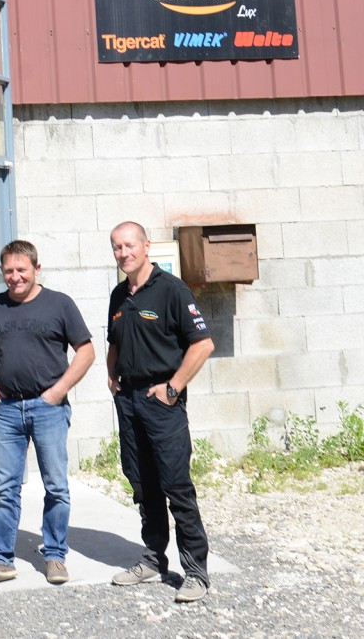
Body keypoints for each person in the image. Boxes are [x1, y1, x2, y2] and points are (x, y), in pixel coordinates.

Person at [0, 240, 94, 586]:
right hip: (7, 409)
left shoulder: (59, 304)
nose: (15, 277)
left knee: (55, 485)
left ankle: (55, 555)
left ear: (36, 269)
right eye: (8, 271)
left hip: (48, 408)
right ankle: (0, 559)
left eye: (21, 269)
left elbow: (86, 351)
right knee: (5, 487)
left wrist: (58, 391)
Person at [107, 221, 215, 603]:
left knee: (176, 487)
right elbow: (114, 342)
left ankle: (196, 573)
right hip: (129, 402)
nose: (124, 253)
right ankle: (154, 559)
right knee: (142, 485)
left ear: (146, 246)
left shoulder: (172, 290)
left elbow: (202, 344)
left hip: (161, 403)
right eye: (117, 247)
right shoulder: (119, 295)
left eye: (130, 245)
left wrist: (173, 389)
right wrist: (110, 374)